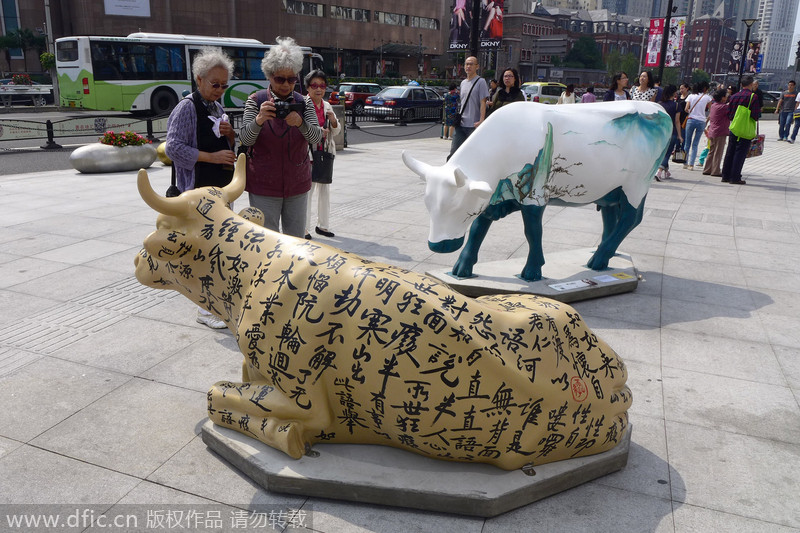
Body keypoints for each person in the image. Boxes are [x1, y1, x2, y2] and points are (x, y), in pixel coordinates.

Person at [166, 47, 237, 329]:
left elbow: (225, 145)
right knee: (203, 252)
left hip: (220, 189)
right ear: (199, 80)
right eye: (214, 84)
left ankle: (216, 302)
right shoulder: (187, 107)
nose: (219, 90)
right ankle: (205, 308)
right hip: (197, 192)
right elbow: (172, 148)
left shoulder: (217, 108)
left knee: (218, 248)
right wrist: (212, 157)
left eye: (223, 85)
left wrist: (230, 138)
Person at [239, 37, 323, 238]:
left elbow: (316, 137)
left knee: (296, 241)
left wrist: (300, 123)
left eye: (292, 79)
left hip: (297, 183)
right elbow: (245, 139)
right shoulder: (256, 101)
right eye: (280, 79)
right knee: (267, 242)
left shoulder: (304, 102)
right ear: (269, 76)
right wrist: (259, 120)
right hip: (263, 185)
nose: (287, 84)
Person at [304, 69, 341, 240]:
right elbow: (301, 128)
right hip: (308, 153)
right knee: (308, 192)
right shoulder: (303, 104)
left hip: (325, 153)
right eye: (314, 85)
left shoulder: (327, 105)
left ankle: (323, 226)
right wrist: (319, 132)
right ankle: (304, 228)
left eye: (322, 86)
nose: (318, 89)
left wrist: (333, 120)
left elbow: (337, 129)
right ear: (308, 87)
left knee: (324, 190)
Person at [448, 56, 489, 160]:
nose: (468, 66)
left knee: (472, 154)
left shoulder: (481, 82)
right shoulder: (463, 83)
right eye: (466, 64)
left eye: (471, 64)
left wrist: (481, 120)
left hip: (473, 125)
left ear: (477, 66)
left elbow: (483, 102)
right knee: (454, 152)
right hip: (461, 124)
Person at [721, 75, 760, 185]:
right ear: (751, 84)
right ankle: (735, 177)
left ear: (741, 85)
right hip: (745, 129)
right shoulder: (753, 97)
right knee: (740, 153)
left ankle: (725, 175)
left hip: (734, 127)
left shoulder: (734, 96)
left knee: (730, 151)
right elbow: (755, 115)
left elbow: (729, 113)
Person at [682, 81, 712, 170]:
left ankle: (685, 162)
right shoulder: (707, 97)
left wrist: (691, 111)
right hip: (701, 121)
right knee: (695, 144)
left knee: (687, 143)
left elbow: (686, 109)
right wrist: (706, 121)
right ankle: (691, 165)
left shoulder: (691, 96)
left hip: (691, 120)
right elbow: (711, 111)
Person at [655, 85, 682, 181]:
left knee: (662, 152)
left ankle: (666, 171)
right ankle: (659, 171)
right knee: (667, 153)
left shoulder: (659, 104)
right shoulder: (676, 105)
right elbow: (677, 121)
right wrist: (679, 135)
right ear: (674, 93)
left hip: (660, 131)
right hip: (672, 131)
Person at [702, 88, 730, 177]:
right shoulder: (723, 107)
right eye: (726, 96)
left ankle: (707, 169)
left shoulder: (714, 105)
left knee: (712, 150)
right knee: (718, 151)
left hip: (712, 131)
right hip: (720, 131)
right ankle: (716, 170)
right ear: (722, 98)